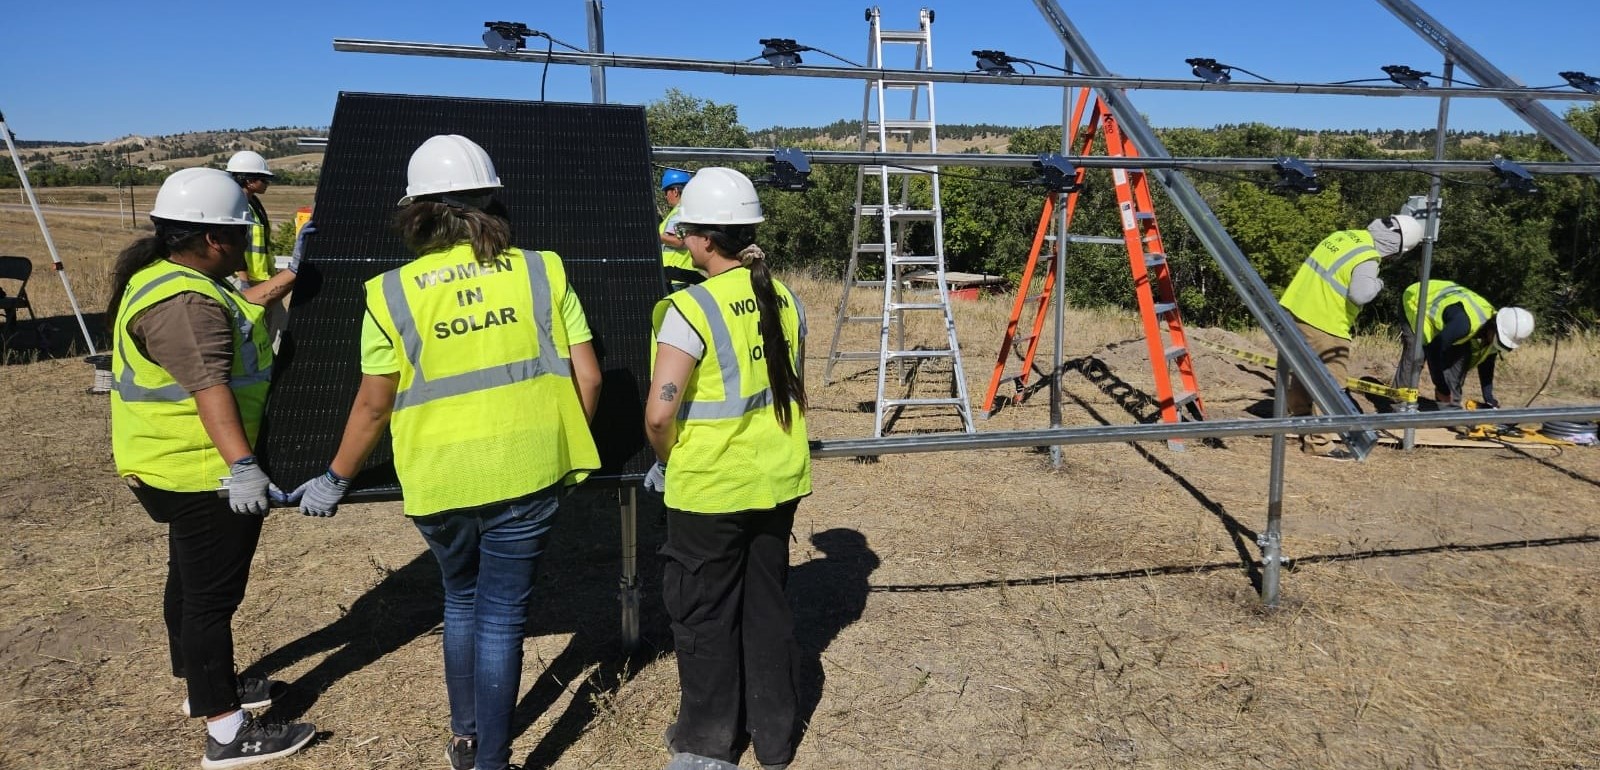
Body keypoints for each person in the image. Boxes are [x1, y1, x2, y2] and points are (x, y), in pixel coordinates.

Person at [283, 134, 602, 770]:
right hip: (530, 468)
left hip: (439, 479)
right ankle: (492, 761)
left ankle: (466, 735)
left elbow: (373, 406)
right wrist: (567, 453)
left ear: (417, 212)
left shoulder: (390, 292)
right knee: (502, 617)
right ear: (492, 203)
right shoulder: (543, 269)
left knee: (461, 599)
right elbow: (588, 378)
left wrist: (335, 477)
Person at [108, 167, 316, 769]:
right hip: (205, 472)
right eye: (241, 233)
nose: (246, 243)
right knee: (210, 600)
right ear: (214, 238)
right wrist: (244, 467)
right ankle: (226, 732)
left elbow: (242, 307)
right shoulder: (185, 302)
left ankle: (202, 685)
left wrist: (293, 274)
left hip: (173, 465)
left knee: (189, 582)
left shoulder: (176, 279)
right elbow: (210, 387)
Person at [643, 167, 810, 770]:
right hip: (777, 479)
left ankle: (707, 743)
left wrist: (666, 463)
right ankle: (775, 739)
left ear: (704, 240)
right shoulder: (784, 296)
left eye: (687, 230)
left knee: (704, 613)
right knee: (766, 607)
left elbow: (659, 414)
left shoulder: (689, 310)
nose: (682, 237)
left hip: (711, 486)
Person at [1277, 214, 1423, 456]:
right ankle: (1319, 443)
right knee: (1331, 382)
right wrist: (1379, 284)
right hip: (1325, 322)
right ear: (1397, 247)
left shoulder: (1343, 236)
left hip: (1295, 308)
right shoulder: (1368, 256)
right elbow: (1361, 294)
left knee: (1302, 371)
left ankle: (1301, 419)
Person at [1395, 279, 1534, 409]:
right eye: (1499, 341)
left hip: (1448, 321)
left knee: (1460, 357)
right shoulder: (1465, 324)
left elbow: (1486, 363)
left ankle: (1450, 409)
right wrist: (1442, 388)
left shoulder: (1494, 326)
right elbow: (1433, 350)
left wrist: (1489, 398)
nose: (1497, 345)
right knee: (1417, 354)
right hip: (1417, 300)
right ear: (1494, 327)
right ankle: (1399, 403)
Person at [226, 151, 276, 290]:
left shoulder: (253, 203)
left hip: (259, 277)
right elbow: (233, 243)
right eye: (264, 180)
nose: (267, 184)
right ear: (249, 180)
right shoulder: (235, 205)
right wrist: (243, 280)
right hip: (242, 279)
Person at [658, 167, 703, 291]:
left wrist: (655, 236)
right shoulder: (690, 210)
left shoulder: (680, 212)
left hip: (675, 277)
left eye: (666, 191)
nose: (666, 196)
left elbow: (679, 241)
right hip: (681, 274)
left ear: (675, 191)